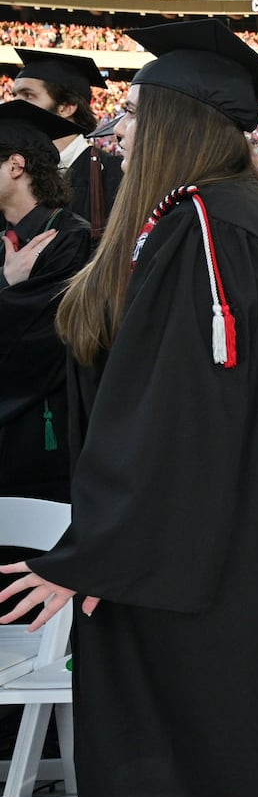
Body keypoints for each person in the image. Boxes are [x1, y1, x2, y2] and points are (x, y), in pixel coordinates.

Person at [0, 19, 258, 797]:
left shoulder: (207, 229)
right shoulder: (236, 216)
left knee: (196, 762)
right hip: (235, 536)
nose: (123, 129)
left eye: (140, 114)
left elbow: (179, 412)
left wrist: (96, 550)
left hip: (197, 560)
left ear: (179, 123)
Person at [0, 101, 93, 503]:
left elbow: (43, 340)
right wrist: (6, 282)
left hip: (39, 430)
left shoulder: (71, 237)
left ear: (15, 166)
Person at [7, 50, 123, 241]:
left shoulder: (111, 174)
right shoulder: (14, 172)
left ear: (66, 107)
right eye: (15, 95)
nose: (16, 105)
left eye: (28, 96)